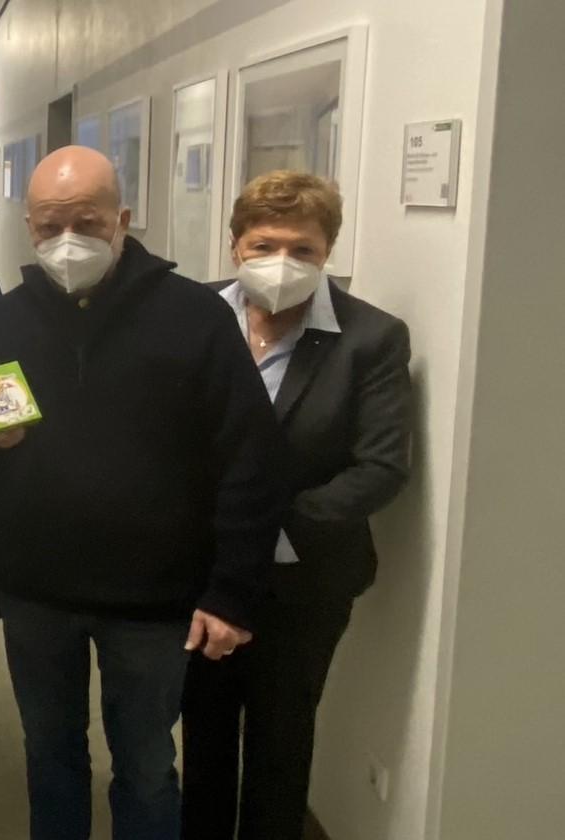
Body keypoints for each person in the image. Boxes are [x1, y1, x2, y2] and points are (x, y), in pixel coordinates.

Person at [0, 146, 286, 840]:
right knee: (49, 755)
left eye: (87, 222)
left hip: (154, 599)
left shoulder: (194, 317)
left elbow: (250, 460)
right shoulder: (0, 322)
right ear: (28, 227)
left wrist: (231, 592)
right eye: (50, 226)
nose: (67, 240)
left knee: (145, 766)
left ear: (123, 220)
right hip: (37, 591)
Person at [181, 171, 412, 840]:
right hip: (200, 574)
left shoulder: (370, 338)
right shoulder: (192, 317)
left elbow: (379, 468)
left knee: (281, 742)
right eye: (263, 245)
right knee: (203, 735)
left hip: (303, 579)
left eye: (301, 249)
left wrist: (259, 528)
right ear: (234, 245)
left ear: (327, 250)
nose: (280, 261)